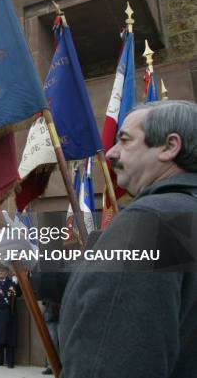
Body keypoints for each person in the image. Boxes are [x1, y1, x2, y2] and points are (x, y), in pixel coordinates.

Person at [58, 100, 197, 377]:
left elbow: (109, 360)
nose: (110, 152)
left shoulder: (149, 222)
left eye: (124, 140)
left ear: (169, 147)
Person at [0, 265, 21, 369]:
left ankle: (10, 361)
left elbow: (18, 294)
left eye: (2, 271)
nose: (0, 273)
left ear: (7, 273)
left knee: (9, 337)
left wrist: (16, 284)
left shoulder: (11, 283)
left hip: (8, 313)